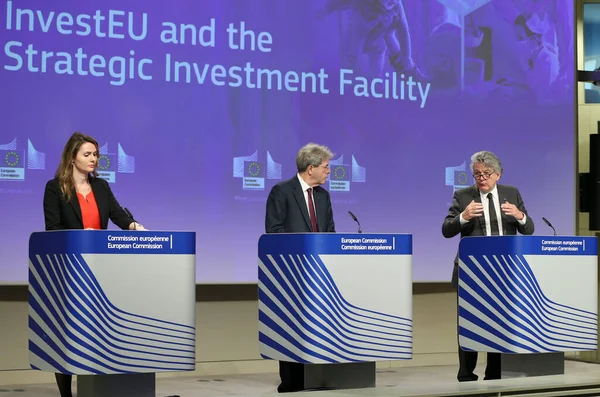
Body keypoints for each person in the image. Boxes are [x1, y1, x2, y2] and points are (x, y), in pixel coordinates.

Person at [43, 132, 145, 397]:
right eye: (87, 154)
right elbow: (52, 230)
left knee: (98, 331)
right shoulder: (55, 188)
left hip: (101, 268)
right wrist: (80, 237)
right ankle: (67, 393)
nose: (93, 159)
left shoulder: (101, 187)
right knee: (67, 333)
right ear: (72, 156)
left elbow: (118, 216)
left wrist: (134, 226)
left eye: (95, 154)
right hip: (69, 269)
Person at [442, 150, 534, 382]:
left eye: (486, 174)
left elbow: (529, 228)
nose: (481, 178)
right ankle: (466, 374)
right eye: (477, 174)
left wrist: (519, 215)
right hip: (471, 272)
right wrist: (463, 217)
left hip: (504, 272)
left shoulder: (511, 193)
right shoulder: (463, 196)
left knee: (498, 322)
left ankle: (494, 374)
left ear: (498, 175)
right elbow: (446, 230)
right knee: (469, 322)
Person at [265, 143, 336, 392]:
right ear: (310, 169)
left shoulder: (324, 196)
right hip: (291, 274)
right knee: (292, 329)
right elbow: (274, 232)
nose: (329, 172)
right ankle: (291, 382)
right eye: (326, 167)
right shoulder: (281, 192)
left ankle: (319, 378)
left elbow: (330, 233)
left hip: (320, 276)